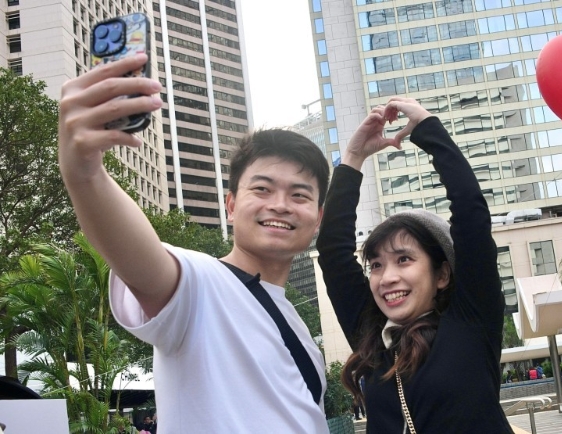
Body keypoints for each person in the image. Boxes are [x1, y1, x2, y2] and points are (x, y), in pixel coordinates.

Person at [57, 54, 329, 432]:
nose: (280, 205)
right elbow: (141, 262)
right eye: (262, 189)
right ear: (231, 206)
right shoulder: (198, 285)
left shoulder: (297, 324)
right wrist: (84, 172)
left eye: (299, 195)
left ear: (317, 218)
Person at [317, 97, 514, 433]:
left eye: (404, 259)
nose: (387, 278)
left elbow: (471, 215)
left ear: (442, 274)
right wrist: (353, 157)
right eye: (376, 265)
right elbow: (333, 253)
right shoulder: (372, 338)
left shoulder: (471, 321)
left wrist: (427, 127)